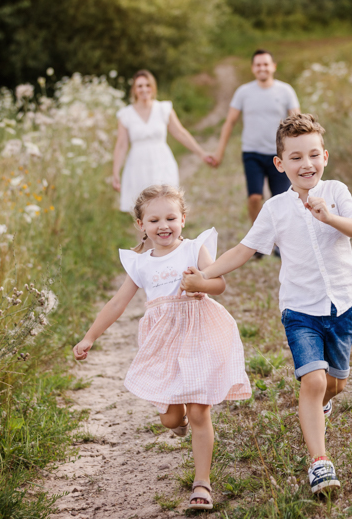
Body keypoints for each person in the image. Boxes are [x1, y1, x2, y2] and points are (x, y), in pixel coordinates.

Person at [182, 114, 352, 495]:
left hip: (341, 304)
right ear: (280, 164)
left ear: (325, 157)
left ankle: (319, 406)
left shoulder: (336, 192)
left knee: (335, 384)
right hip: (300, 310)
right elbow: (243, 250)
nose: (306, 164)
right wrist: (204, 275)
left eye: (313, 155)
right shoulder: (275, 209)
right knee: (313, 381)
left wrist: (330, 217)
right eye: (296, 158)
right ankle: (320, 463)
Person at [73, 185, 251, 510]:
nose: (163, 226)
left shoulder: (194, 249)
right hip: (163, 343)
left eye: (171, 218)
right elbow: (117, 304)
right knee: (171, 419)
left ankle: (202, 484)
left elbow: (220, 284)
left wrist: (200, 283)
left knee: (199, 412)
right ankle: (178, 421)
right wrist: (90, 337)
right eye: (154, 220)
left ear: (183, 219)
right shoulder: (141, 264)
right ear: (141, 225)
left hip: (198, 334)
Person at [211, 50, 300, 231]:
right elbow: (230, 122)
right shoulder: (243, 92)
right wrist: (219, 153)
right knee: (254, 197)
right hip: (252, 153)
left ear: (273, 67)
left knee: (282, 199)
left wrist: (300, 154)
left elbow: (298, 123)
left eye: (266, 64)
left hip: (279, 155)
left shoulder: (286, 91)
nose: (262, 68)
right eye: (258, 65)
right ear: (253, 68)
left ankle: (281, 238)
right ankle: (258, 235)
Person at [112, 70, 215, 214]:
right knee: (142, 211)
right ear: (134, 90)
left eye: (148, 85)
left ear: (153, 87)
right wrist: (115, 172)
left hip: (162, 162)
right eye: (140, 86)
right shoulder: (126, 114)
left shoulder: (163, 109)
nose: (144, 89)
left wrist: (201, 153)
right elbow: (121, 145)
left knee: (167, 206)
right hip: (138, 166)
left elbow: (180, 133)